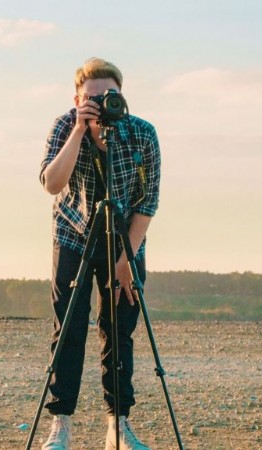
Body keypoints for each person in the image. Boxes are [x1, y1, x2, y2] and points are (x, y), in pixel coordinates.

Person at [38, 57, 160, 450]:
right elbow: (51, 184)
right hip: (73, 234)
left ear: (121, 97)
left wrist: (128, 260)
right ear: (77, 99)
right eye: (91, 97)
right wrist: (78, 129)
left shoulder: (142, 133)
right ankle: (61, 424)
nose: (101, 103)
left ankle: (118, 426)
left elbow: (148, 201)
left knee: (119, 328)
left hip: (124, 238)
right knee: (69, 327)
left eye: (110, 96)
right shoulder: (64, 126)